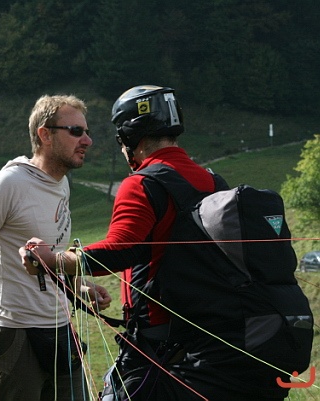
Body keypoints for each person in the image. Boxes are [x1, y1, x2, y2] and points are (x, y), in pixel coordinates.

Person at [20, 85, 292, 401]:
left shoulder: (141, 183)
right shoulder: (212, 181)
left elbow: (122, 249)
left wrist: (55, 260)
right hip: (209, 337)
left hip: (158, 339)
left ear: (128, 136)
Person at [0, 95, 112, 401]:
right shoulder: (7, 185)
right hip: (14, 333)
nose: (87, 140)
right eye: (75, 131)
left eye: (86, 131)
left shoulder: (61, 184)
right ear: (45, 134)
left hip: (60, 329)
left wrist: (78, 288)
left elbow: (48, 257)